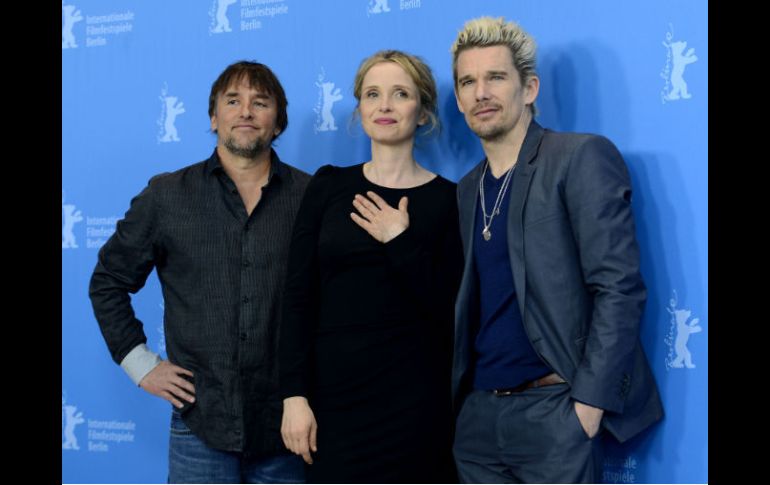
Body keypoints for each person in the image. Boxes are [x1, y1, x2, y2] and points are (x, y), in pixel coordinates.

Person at [449, 17, 664, 483]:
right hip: (479, 419)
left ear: (529, 88)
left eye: (496, 77)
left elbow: (619, 287)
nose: (480, 92)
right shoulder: (467, 190)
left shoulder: (578, 156)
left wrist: (587, 405)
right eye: (468, 81)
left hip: (554, 413)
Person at [89, 61, 310, 484]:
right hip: (199, 427)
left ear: (278, 123)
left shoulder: (312, 197)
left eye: (259, 102)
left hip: (288, 429)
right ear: (213, 118)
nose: (245, 112)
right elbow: (108, 281)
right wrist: (140, 364)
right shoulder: (167, 196)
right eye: (233, 101)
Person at [279, 50, 461, 483]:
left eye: (400, 94)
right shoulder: (328, 186)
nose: (384, 106)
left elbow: (450, 309)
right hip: (333, 407)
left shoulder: (451, 200)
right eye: (372, 94)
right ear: (359, 106)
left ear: (422, 112)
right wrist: (293, 396)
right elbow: (297, 297)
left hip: (417, 407)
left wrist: (401, 240)